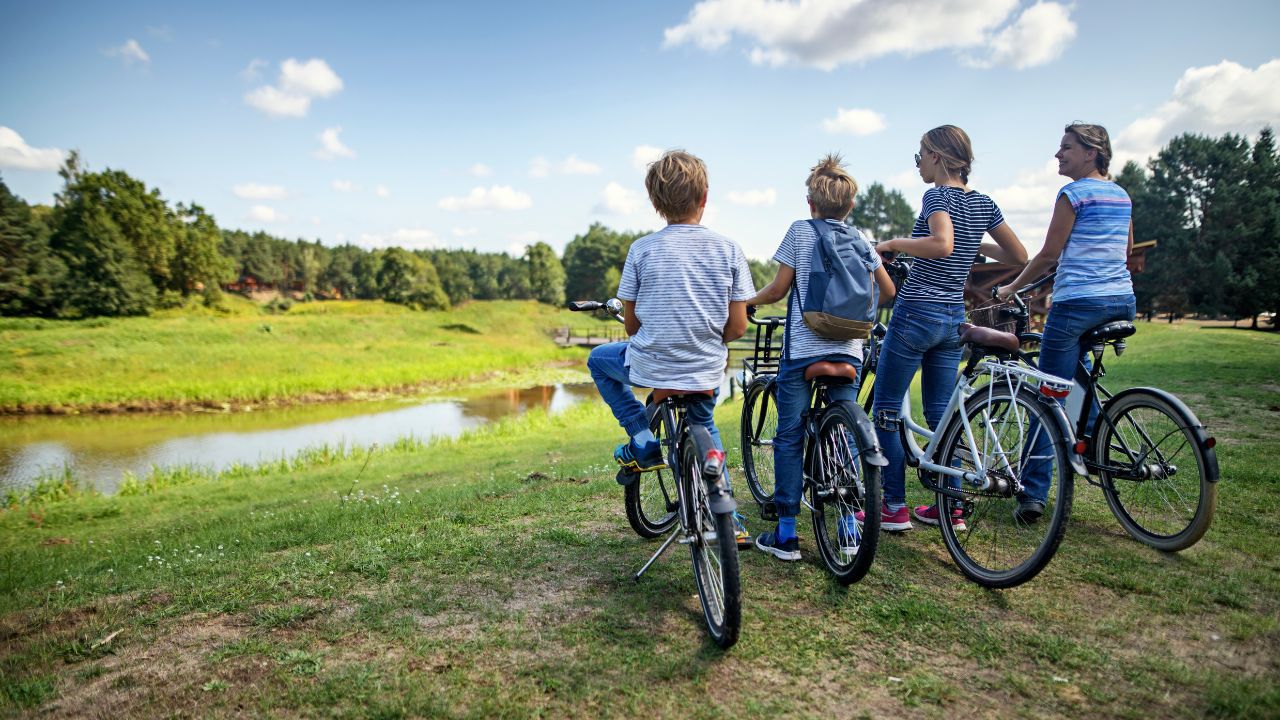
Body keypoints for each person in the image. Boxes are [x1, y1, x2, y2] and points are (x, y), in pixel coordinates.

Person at [860, 125, 1028, 533]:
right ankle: (949, 506)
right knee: (940, 412)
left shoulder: (937, 195)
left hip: (916, 311)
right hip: (953, 316)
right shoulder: (984, 203)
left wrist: (894, 243)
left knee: (886, 410)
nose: (918, 164)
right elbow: (1018, 254)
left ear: (937, 156)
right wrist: (976, 243)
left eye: (920, 155)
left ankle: (894, 507)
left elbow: (941, 244)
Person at [585, 149, 755, 533]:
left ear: (655, 204)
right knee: (703, 423)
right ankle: (729, 518)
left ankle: (641, 435)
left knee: (598, 360)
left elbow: (630, 326)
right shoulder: (728, 249)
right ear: (704, 198)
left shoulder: (641, 250)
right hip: (704, 367)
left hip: (652, 364)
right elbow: (738, 326)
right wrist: (710, 339)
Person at [746, 153, 897, 560]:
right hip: (849, 348)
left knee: (790, 436)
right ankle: (849, 526)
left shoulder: (800, 231)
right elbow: (887, 291)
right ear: (850, 206)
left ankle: (787, 534)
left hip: (804, 351)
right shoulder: (862, 238)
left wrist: (749, 301)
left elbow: (778, 290)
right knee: (845, 432)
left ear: (810, 203)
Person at [997, 122, 1135, 521]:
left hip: (1078, 305)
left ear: (1091, 152)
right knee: (1079, 377)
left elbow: (1047, 256)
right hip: (1121, 300)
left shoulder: (1073, 193)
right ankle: (1093, 449)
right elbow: (1124, 249)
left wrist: (1011, 289)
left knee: (1047, 396)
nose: (1058, 154)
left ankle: (1032, 492)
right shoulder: (1122, 195)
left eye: (1066, 148)